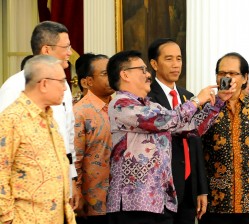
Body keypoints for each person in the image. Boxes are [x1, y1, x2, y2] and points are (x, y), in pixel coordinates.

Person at [105, 50, 236, 224]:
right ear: (125, 74)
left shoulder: (151, 105)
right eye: (142, 70)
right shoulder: (121, 104)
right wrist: (197, 100)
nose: (148, 74)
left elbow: (191, 128)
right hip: (133, 202)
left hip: (159, 201)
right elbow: (167, 120)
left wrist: (219, 101)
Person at [0, 21, 78, 209]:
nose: (70, 52)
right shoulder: (15, 85)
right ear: (46, 49)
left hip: (58, 189)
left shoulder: (63, 84)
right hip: (27, 197)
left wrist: (71, 178)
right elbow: (4, 150)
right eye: (66, 47)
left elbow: (67, 134)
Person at [199, 52, 249, 224]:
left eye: (233, 73)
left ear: (245, 78)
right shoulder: (207, 108)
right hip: (215, 202)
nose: (227, 77)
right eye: (222, 74)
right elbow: (196, 148)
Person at [147, 38, 208, 224]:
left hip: (189, 185)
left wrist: (201, 188)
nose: (176, 65)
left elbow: (196, 141)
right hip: (162, 187)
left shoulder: (186, 96)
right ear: (154, 63)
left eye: (179, 59)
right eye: (169, 59)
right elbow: (170, 124)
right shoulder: (148, 97)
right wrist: (197, 102)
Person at [73, 53, 115, 223]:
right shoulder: (80, 113)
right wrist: (77, 192)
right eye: (105, 74)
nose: (111, 77)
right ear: (88, 81)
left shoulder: (119, 107)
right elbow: (75, 158)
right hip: (92, 203)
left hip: (120, 202)